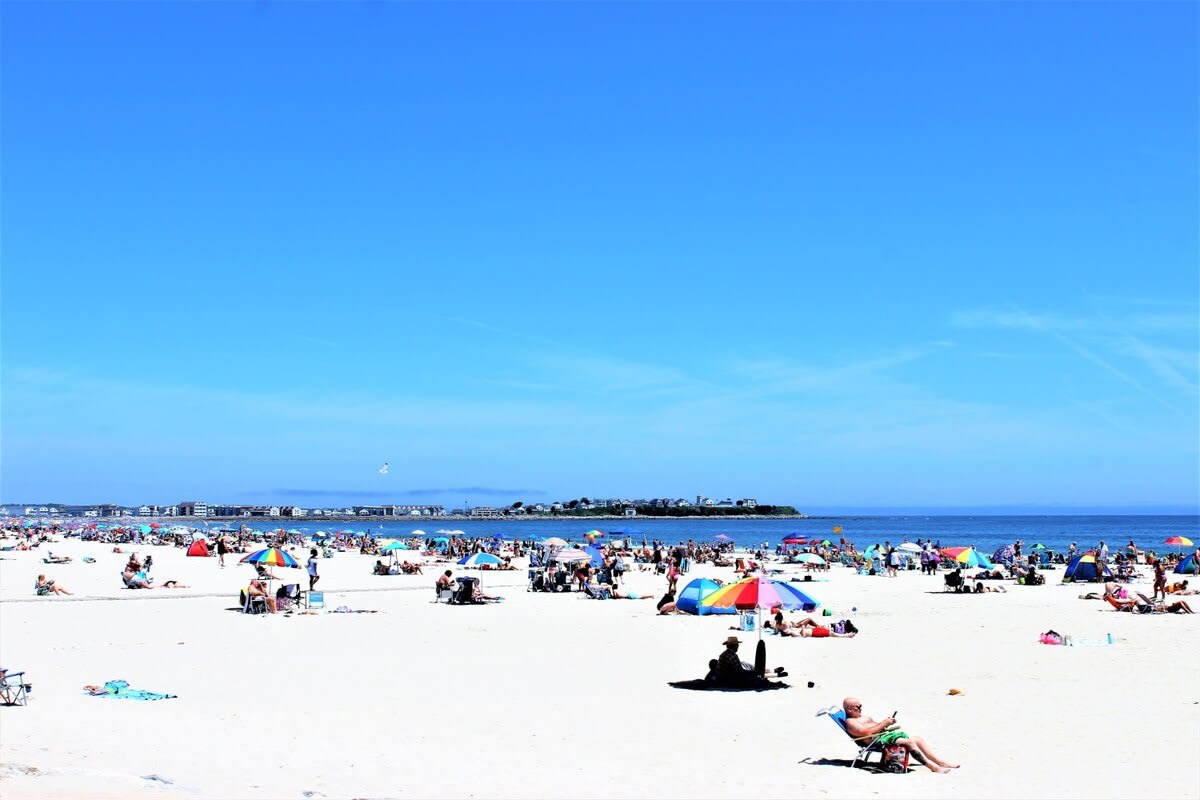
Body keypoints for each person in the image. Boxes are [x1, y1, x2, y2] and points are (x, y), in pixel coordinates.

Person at [841, 697, 959, 773]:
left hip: (885, 735)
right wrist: (884, 723)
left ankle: (940, 762)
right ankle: (933, 767)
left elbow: (877, 727)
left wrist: (887, 723)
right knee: (909, 742)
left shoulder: (863, 717)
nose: (860, 709)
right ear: (849, 709)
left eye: (861, 706)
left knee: (917, 739)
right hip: (878, 741)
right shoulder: (851, 723)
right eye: (858, 707)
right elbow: (867, 733)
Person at [709, 636, 787, 686]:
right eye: (737, 645)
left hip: (723, 677)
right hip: (729, 679)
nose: (738, 646)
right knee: (754, 676)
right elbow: (739, 671)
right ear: (734, 646)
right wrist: (750, 673)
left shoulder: (724, 654)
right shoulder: (732, 656)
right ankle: (774, 680)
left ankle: (773, 674)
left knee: (751, 672)